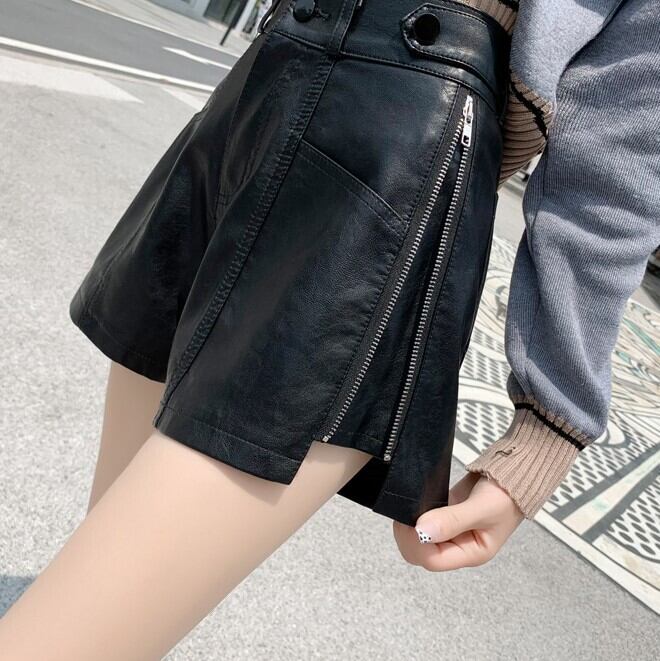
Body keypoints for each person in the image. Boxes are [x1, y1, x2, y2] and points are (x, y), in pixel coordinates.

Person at [1, 0, 658, 658]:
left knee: (87, 623)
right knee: (101, 595)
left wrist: (549, 423)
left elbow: (624, 135)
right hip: (287, 63)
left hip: (406, 123)